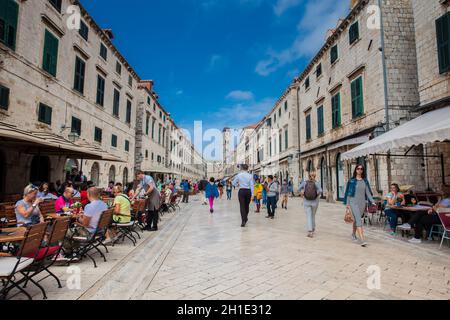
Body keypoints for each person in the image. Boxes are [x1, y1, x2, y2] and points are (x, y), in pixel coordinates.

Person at [343, 165, 375, 247]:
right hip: (353, 202)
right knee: (358, 220)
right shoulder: (352, 181)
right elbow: (349, 194)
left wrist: (372, 201)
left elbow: (367, 192)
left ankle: (353, 234)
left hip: (362, 203)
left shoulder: (365, 181)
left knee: (357, 219)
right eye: (358, 168)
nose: (360, 170)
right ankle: (362, 240)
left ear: (363, 170)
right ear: (356, 170)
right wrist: (347, 204)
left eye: (361, 169)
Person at [299, 172, 323, 238]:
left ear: (308, 176)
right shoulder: (316, 182)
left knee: (308, 216)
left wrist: (302, 194)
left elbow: (299, 188)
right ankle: (313, 228)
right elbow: (320, 190)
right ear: (315, 176)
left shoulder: (305, 182)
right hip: (315, 202)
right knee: (313, 215)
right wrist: (316, 195)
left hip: (306, 201)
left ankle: (310, 231)